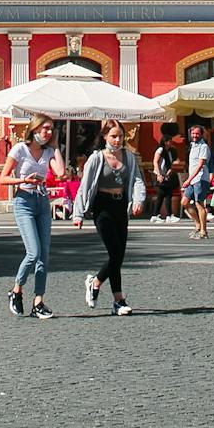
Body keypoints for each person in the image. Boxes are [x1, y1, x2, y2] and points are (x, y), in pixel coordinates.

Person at [72, 120, 147, 315]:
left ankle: (100, 287)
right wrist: (78, 213)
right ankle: (117, 298)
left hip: (120, 206)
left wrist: (138, 199)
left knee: (119, 254)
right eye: (113, 136)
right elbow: (85, 185)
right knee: (115, 253)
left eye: (120, 136)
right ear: (105, 136)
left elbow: (137, 180)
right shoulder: (96, 158)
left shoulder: (129, 157)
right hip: (102, 206)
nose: (117, 140)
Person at [0, 117, 65, 317]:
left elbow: (61, 172)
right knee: (33, 252)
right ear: (34, 129)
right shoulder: (20, 149)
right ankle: (16, 290)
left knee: (44, 255)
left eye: (51, 129)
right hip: (24, 201)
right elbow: (3, 178)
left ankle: (38, 302)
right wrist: (23, 179)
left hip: (42, 202)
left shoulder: (48, 151)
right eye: (45, 128)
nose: (49, 132)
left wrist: (55, 147)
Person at [182, 122, 212, 239]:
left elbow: (200, 165)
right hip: (192, 179)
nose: (195, 135)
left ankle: (204, 231)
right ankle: (198, 224)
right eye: (193, 133)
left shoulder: (203, 146)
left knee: (199, 204)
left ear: (201, 134)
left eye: (197, 133)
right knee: (184, 202)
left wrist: (188, 179)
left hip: (200, 178)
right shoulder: (192, 145)